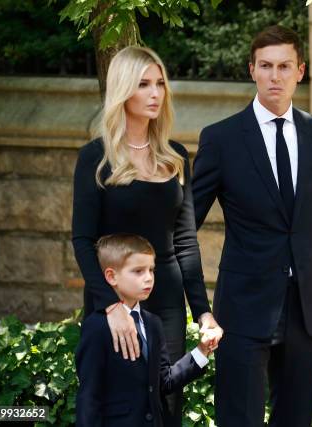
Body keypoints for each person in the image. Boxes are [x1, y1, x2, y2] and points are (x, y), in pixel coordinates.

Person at [192, 25, 312, 427]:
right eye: (266, 66)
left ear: (300, 71)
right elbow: (184, 228)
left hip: (307, 310)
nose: (275, 76)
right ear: (252, 70)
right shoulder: (221, 139)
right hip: (244, 309)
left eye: (284, 66)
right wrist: (197, 307)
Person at [71, 46, 222, 426]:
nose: (156, 93)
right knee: (118, 402)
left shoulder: (175, 156)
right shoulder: (96, 158)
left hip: (166, 298)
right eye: (143, 85)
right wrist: (111, 305)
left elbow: (185, 241)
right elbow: (83, 239)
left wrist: (201, 310)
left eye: (160, 84)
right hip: (114, 298)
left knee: (166, 402)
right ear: (123, 90)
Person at [76, 233, 216, 427]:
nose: (149, 278)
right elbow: (89, 396)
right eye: (138, 271)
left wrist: (201, 352)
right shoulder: (97, 326)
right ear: (111, 276)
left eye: (151, 270)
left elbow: (164, 381)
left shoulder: (153, 324)